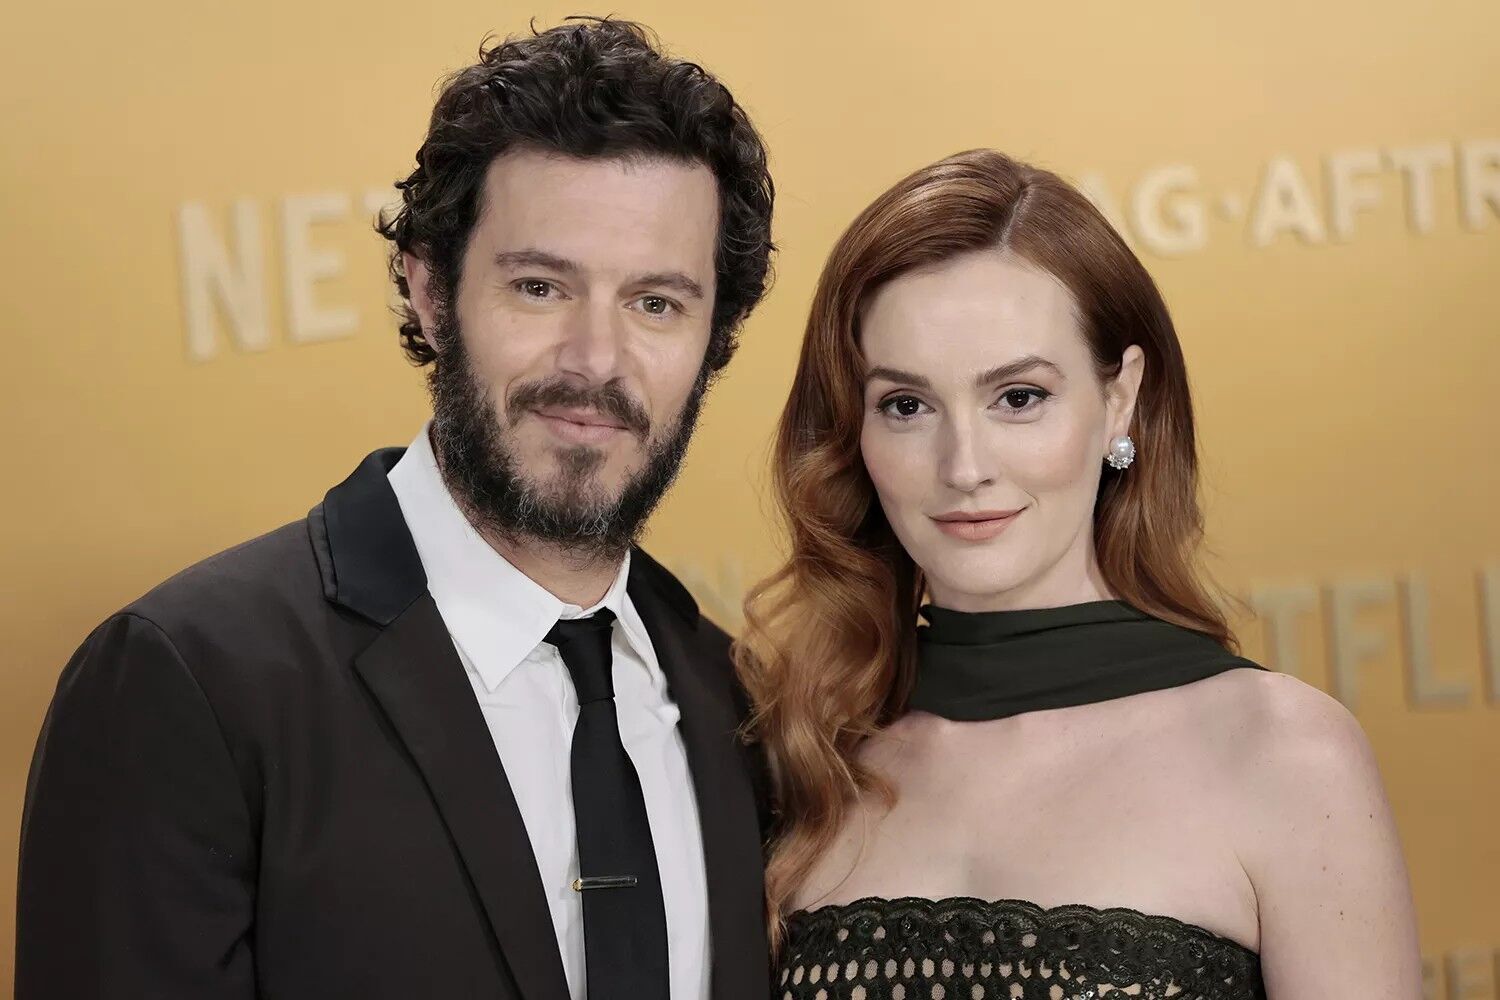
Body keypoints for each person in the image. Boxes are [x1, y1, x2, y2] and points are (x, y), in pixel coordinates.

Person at [17, 19, 774, 1000]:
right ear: (428, 287)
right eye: (540, 286)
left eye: (657, 303)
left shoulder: (740, 705)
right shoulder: (190, 684)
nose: (596, 359)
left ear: (717, 333)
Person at [735, 149, 1421, 999]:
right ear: (857, 432)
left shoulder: (1286, 754)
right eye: (906, 406)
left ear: (1121, 399)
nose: (964, 465)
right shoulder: (800, 757)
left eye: (1018, 396)